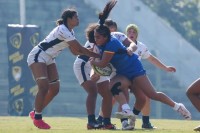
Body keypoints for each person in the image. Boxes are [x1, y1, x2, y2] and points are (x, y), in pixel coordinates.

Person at [89, 11, 192, 130]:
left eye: (98, 37)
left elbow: (102, 63)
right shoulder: (98, 44)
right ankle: (126, 117)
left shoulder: (112, 41)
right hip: (121, 73)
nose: (95, 39)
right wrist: (93, 69)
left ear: (106, 35)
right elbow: (95, 57)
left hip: (134, 69)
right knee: (114, 87)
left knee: (150, 95)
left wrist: (93, 62)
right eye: (94, 36)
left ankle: (178, 107)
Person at [27, 8, 100, 129]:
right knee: (44, 86)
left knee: (55, 89)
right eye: (76, 17)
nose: (78, 19)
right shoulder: (63, 29)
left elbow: (74, 51)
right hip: (38, 55)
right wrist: (98, 55)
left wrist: (90, 52)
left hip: (50, 58)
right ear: (69, 19)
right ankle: (38, 118)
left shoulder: (70, 32)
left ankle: (35, 112)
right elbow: (80, 49)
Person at [126, 23, 177, 129]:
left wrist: (165, 68)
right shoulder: (121, 44)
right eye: (129, 31)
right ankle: (103, 119)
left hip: (136, 76)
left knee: (146, 97)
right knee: (113, 98)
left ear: (137, 35)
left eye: (134, 32)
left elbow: (152, 59)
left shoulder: (141, 46)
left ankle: (145, 123)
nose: (131, 33)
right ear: (126, 33)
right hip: (123, 75)